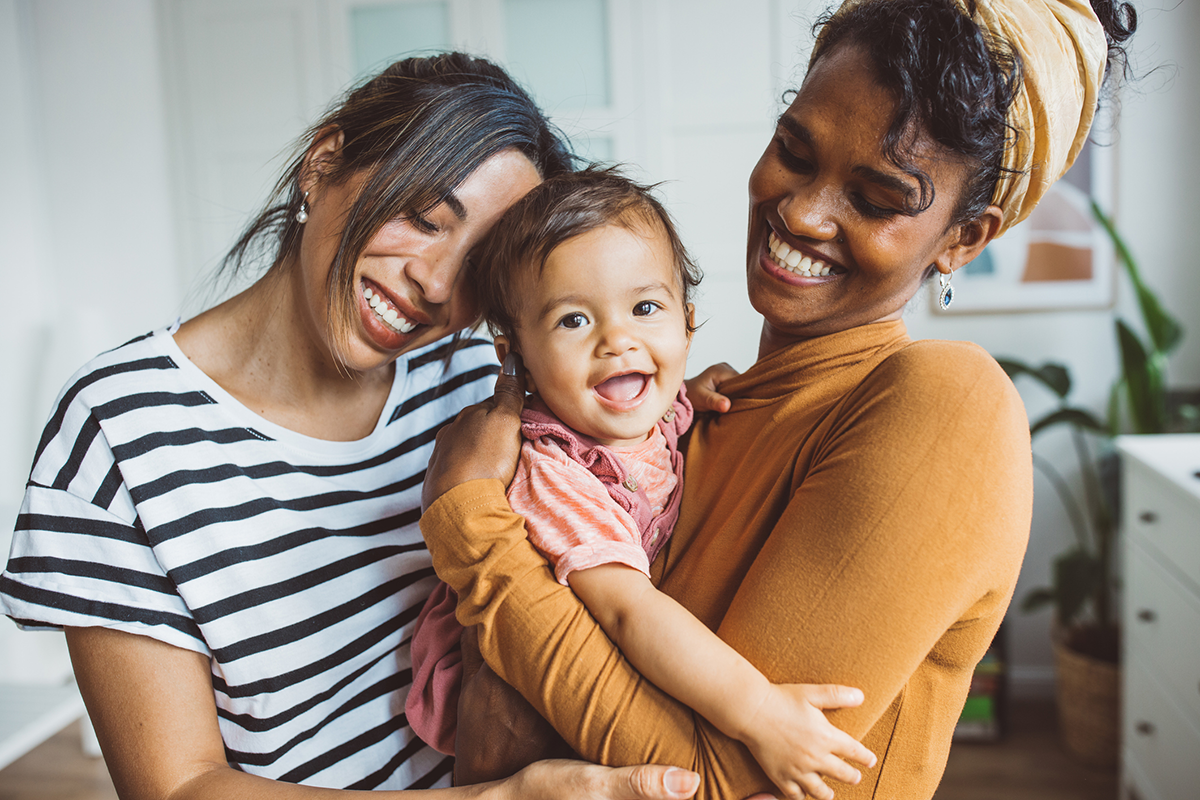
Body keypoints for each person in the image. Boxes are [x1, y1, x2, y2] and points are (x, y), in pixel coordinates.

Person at [416, 1, 1138, 799]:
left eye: (877, 197)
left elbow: (716, 781)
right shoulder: (687, 412)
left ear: (963, 240)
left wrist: (470, 523)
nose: (800, 212)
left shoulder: (950, 406)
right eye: (793, 150)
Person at [0, 52, 706, 800]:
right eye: (425, 219)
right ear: (323, 164)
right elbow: (177, 788)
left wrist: (705, 394)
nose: (434, 286)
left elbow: (633, 455)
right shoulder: (120, 428)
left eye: (476, 272)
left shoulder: (479, 383)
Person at [404, 168, 876, 799]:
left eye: (645, 308)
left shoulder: (662, 411)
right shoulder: (555, 473)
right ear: (515, 355)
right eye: (573, 321)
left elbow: (676, 408)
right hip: (534, 717)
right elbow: (628, 613)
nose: (617, 340)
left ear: (686, 320)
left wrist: (700, 390)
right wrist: (760, 713)